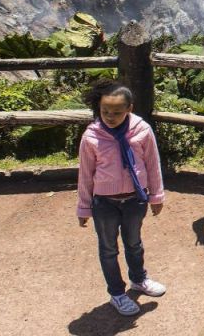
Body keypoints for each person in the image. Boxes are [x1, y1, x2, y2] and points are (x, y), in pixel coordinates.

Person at [76, 80, 166, 316]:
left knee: (134, 244)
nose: (110, 117)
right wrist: (83, 208)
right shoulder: (91, 137)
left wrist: (156, 195)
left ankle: (138, 279)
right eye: (105, 111)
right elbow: (85, 175)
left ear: (129, 109)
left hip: (135, 199)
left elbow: (152, 164)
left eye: (117, 112)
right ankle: (117, 293)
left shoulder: (142, 130)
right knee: (108, 249)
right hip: (104, 202)